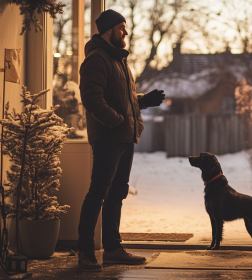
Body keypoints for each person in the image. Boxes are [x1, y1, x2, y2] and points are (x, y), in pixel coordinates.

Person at [77, 9, 165, 272]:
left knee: (116, 193)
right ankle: (85, 252)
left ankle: (113, 249)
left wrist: (144, 101)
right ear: (108, 30)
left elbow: (123, 101)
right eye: (121, 28)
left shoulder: (118, 60)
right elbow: (93, 100)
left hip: (124, 137)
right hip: (108, 137)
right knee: (98, 194)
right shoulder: (96, 59)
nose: (125, 32)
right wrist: (117, 121)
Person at [53, 73, 84, 139]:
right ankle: (70, 132)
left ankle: (72, 132)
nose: (58, 81)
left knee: (76, 115)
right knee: (74, 116)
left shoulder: (70, 89)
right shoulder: (55, 91)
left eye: (60, 80)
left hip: (67, 111)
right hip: (58, 111)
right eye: (58, 80)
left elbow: (75, 100)